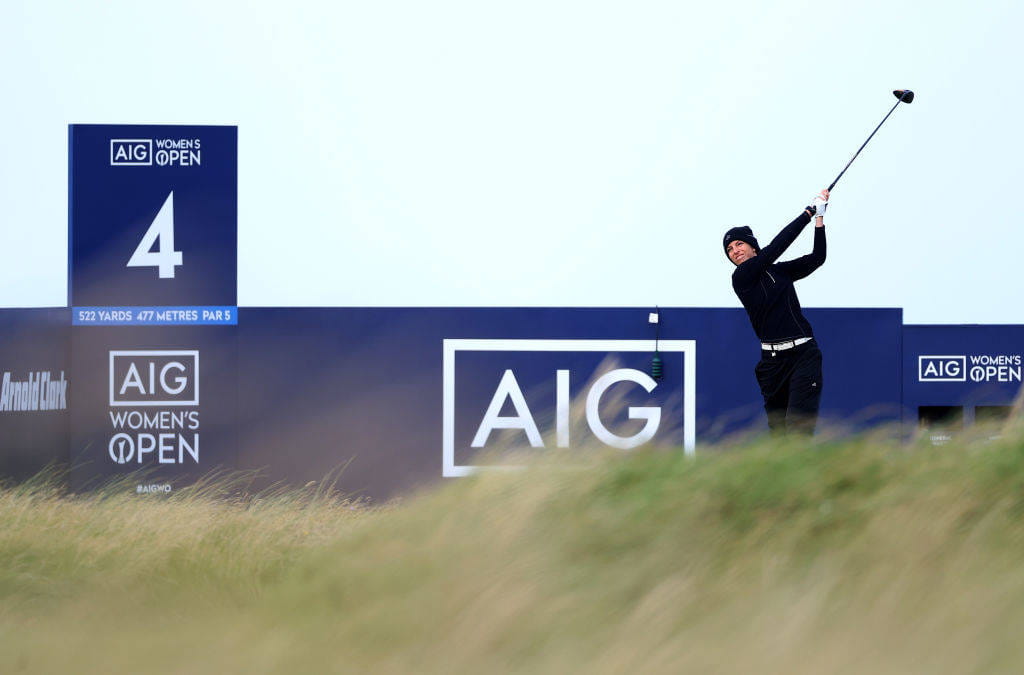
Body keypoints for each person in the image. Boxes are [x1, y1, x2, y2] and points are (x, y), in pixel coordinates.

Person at [723, 189, 829, 435]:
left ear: (753, 247)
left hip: (803, 355)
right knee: (779, 434)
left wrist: (819, 218)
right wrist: (807, 212)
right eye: (729, 249)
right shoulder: (741, 278)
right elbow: (777, 246)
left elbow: (817, 258)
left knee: (799, 429)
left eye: (739, 243)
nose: (734, 250)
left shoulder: (780, 272)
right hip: (772, 364)